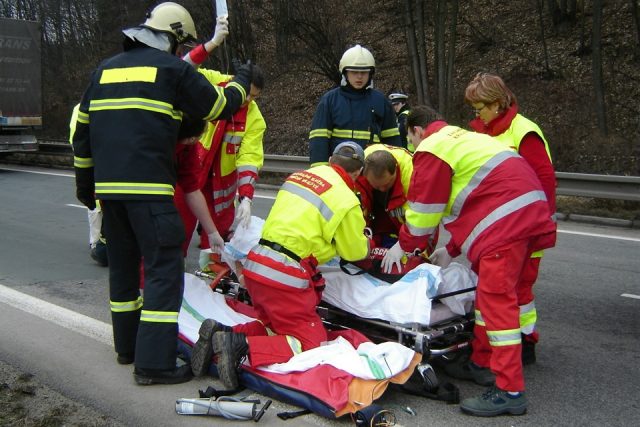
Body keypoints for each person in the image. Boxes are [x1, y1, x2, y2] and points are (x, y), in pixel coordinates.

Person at [72, 1, 251, 386]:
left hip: (110, 194)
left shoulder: (103, 70)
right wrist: (241, 81)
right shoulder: (173, 69)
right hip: (151, 192)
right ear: (171, 37)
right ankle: (153, 364)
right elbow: (218, 105)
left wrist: (86, 189)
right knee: (163, 273)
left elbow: (81, 136)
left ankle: (128, 348)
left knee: (122, 270)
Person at [397, 105, 556, 416]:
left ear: (417, 131)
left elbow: (424, 213)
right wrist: (454, 248)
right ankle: (482, 363)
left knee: (498, 305)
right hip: (527, 214)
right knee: (488, 298)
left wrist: (406, 246)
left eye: (411, 141)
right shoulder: (465, 138)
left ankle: (510, 390)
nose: (412, 148)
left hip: (504, 224)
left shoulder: (431, 147)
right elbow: (479, 193)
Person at [190, 141, 370, 389]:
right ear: (358, 172)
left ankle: (222, 334)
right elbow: (355, 251)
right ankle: (240, 346)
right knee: (311, 343)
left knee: (274, 326)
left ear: (330, 160)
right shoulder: (347, 200)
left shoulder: (300, 177)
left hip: (257, 264)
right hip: (286, 276)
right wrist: (365, 242)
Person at [464, 72, 556, 365]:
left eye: (480, 107)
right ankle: (491, 346)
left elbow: (544, 184)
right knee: (494, 292)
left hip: (524, 228)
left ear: (497, 104)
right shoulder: (483, 132)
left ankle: (525, 341)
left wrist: (540, 229)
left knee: (519, 292)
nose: (477, 113)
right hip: (493, 228)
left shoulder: (523, 132)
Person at [308, 44, 401, 167]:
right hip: (338, 172)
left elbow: (393, 144)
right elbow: (319, 141)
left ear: (370, 74)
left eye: (364, 72)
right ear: (345, 73)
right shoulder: (330, 101)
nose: (359, 76)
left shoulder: (380, 101)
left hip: (371, 174)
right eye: (354, 72)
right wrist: (321, 173)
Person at [69, 104, 108, 267]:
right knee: (98, 202)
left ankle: (97, 243)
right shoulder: (96, 104)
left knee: (95, 202)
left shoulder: (79, 107)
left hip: (88, 156)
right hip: (97, 157)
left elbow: (74, 135)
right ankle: (98, 244)